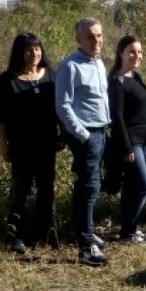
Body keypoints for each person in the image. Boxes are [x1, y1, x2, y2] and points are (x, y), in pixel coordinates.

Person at [0, 32, 60, 254]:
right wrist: (4, 146)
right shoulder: (7, 81)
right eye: (29, 50)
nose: (34, 54)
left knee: (46, 190)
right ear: (19, 53)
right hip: (21, 147)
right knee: (20, 191)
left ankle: (44, 234)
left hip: (47, 144)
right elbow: (0, 118)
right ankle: (14, 236)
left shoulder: (50, 75)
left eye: (37, 49)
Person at [55, 17, 111, 267]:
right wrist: (84, 135)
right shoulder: (70, 66)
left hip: (101, 131)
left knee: (91, 186)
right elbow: (63, 106)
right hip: (86, 134)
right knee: (89, 187)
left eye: (99, 35)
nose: (96, 40)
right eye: (90, 36)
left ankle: (85, 232)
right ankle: (86, 246)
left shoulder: (98, 63)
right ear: (79, 39)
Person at [107, 35, 146, 244]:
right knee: (144, 185)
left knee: (132, 187)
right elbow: (116, 118)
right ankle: (130, 228)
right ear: (121, 54)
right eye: (132, 51)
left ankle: (128, 230)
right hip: (131, 142)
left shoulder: (136, 77)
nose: (137, 56)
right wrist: (126, 148)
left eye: (139, 52)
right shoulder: (117, 82)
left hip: (143, 141)